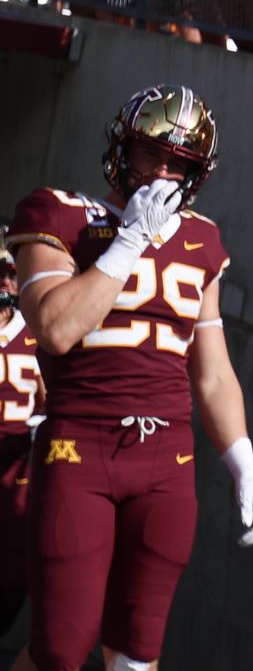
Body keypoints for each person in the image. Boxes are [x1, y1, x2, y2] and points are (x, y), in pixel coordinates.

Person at [6, 85, 253, 671]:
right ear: (121, 149)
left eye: (181, 163)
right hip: (81, 450)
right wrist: (127, 242)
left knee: (136, 654)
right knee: (61, 649)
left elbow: (214, 373)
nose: (163, 172)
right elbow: (54, 328)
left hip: (167, 463)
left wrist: (243, 463)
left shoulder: (202, 238)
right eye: (152, 154)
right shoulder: (58, 215)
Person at [0, 241, 42, 638]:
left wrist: (40, 425)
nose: (7, 284)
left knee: (13, 578)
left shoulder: (36, 335)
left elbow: (53, 400)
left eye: (13, 274)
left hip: (15, 475)